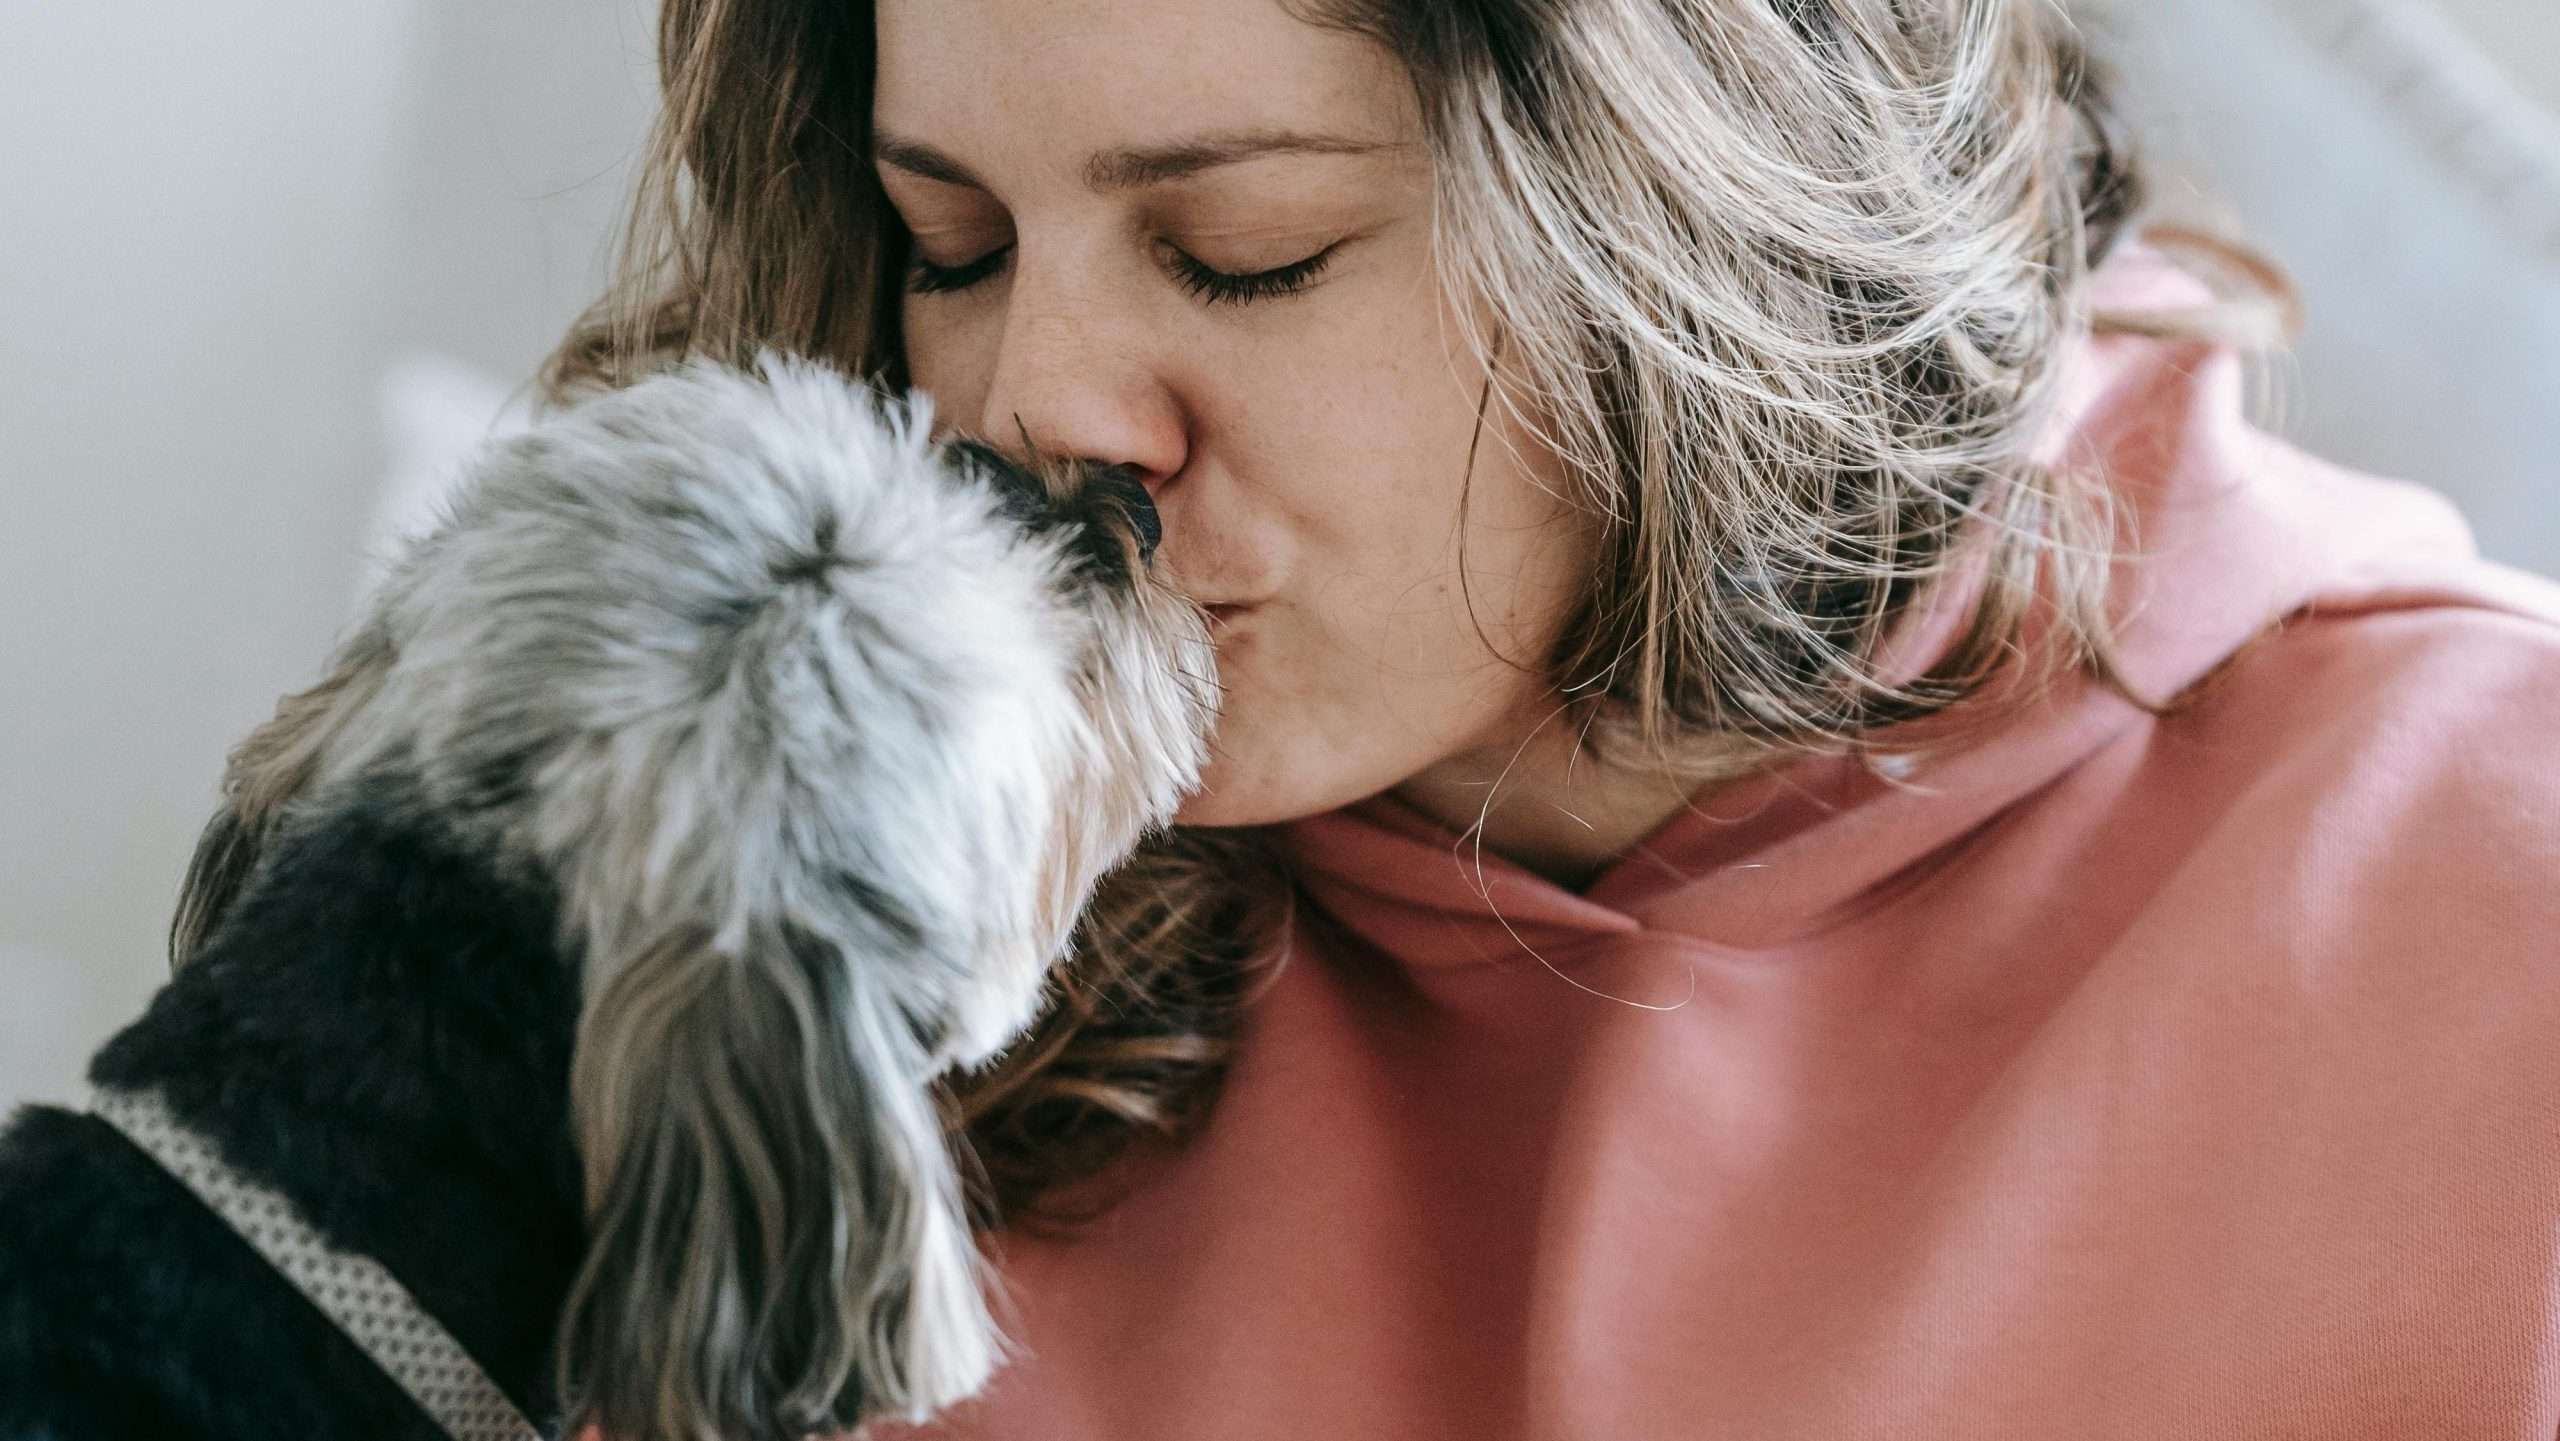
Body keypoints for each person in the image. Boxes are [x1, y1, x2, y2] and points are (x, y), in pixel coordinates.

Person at [538, 0, 2560, 1435]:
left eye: (1244, 254)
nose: (1029, 406)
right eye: (949, 248)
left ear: (1689, 216)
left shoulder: (2481, 894)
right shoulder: (819, 909)